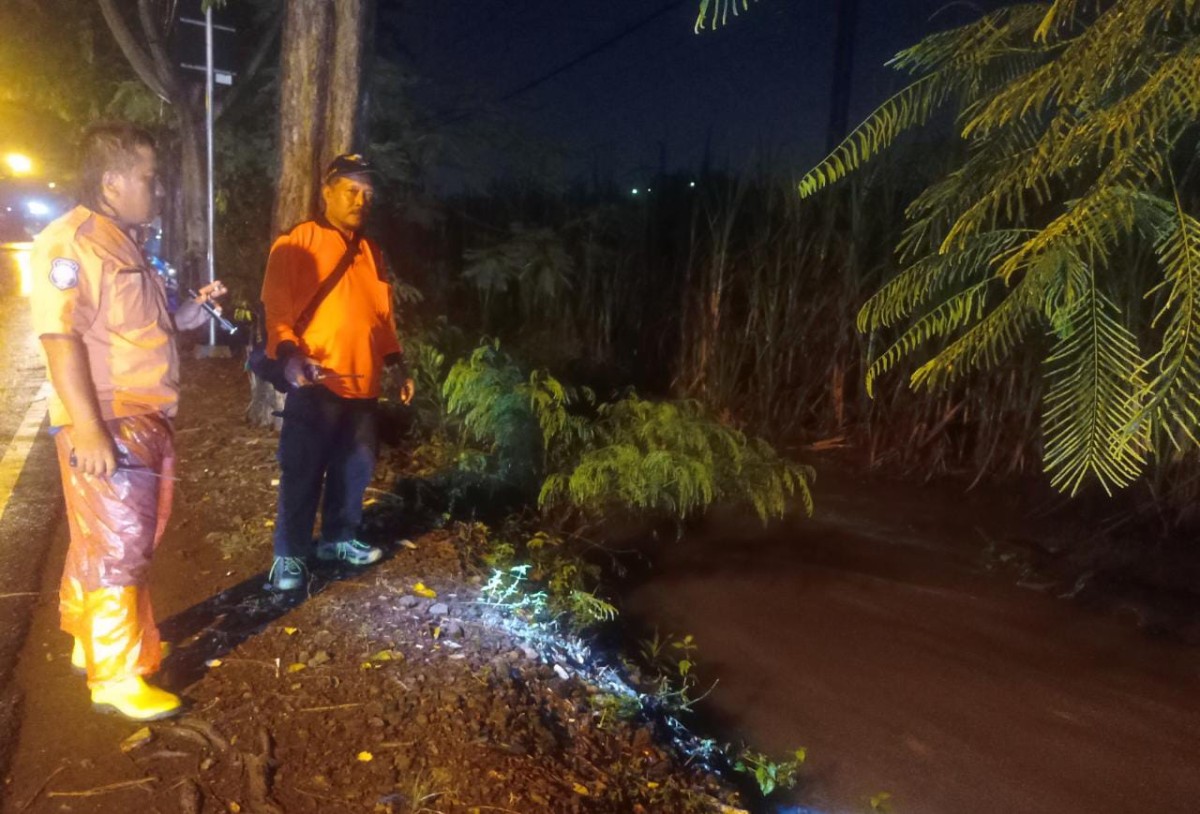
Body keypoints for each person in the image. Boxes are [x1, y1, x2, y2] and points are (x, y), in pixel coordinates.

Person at [29, 122, 227, 721]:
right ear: (112, 181)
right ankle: (116, 677)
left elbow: (137, 327)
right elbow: (60, 338)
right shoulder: (72, 242)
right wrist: (88, 428)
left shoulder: (122, 240)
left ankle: (87, 638)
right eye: (148, 177)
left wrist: (188, 315)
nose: (157, 188)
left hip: (142, 414)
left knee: (106, 539)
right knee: (120, 547)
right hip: (110, 419)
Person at [261, 154, 413, 591]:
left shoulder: (371, 252)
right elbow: (276, 309)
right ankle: (289, 557)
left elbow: (381, 317)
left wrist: (396, 364)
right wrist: (289, 355)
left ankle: (338, 539)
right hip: (316, 380)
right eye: (351, 190)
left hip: (363, 382)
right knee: (303, 470)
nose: (360, 200)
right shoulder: (298, 240)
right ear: (326, 192)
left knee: (355, 469)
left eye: (367, 194)